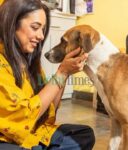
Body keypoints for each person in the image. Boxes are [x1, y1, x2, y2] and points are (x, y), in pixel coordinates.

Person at [0, 0, 95, 150]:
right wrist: (61, 72)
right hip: (8, 138)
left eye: (43, 29)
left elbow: (48, 109)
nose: (41, 36)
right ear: (11, 23)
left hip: (35, 131)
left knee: (84, 134)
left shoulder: (29, 61)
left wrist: (65, 73)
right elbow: (22, 116)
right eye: (35, 27)